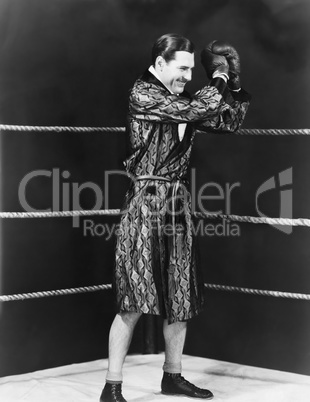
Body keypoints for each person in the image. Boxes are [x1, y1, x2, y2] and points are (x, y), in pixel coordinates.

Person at [100, 33, 251, 402]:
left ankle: (173, 376)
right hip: (143, 203)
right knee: (133, 300)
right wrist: (217, 76)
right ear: (161, 63)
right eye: (182, 68)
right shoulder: (143, 93)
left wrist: (234, 81)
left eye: (190, 68)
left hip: (178, 205)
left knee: (180, 294)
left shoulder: (182, 101)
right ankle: (112, 386)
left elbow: (230, 122)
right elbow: (197, 110)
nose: (187, 74)